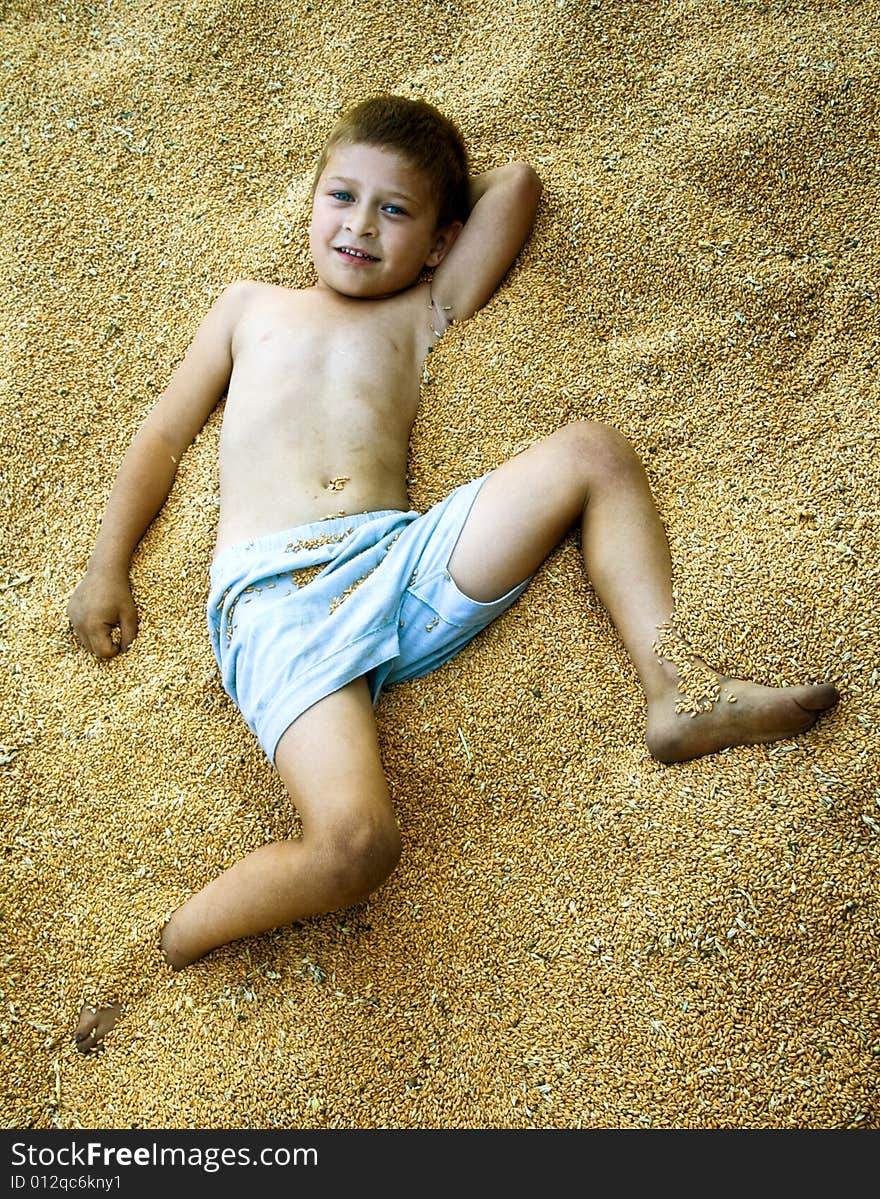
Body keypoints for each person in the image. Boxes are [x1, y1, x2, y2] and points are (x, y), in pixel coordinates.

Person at [66, 95, 839, 1051]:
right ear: (307, 205)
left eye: (394, 211)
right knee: (359, 845)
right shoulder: (248, 306)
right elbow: (163, 434)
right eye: (340, 197)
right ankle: (170, 945)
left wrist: (438, 218)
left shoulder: (423, 309)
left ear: (440, 241)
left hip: (401, 557)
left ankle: (677, 689)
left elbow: (518, 185)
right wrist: (110, 564)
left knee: (593, 451)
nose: (358, 225)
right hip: (281, 597)